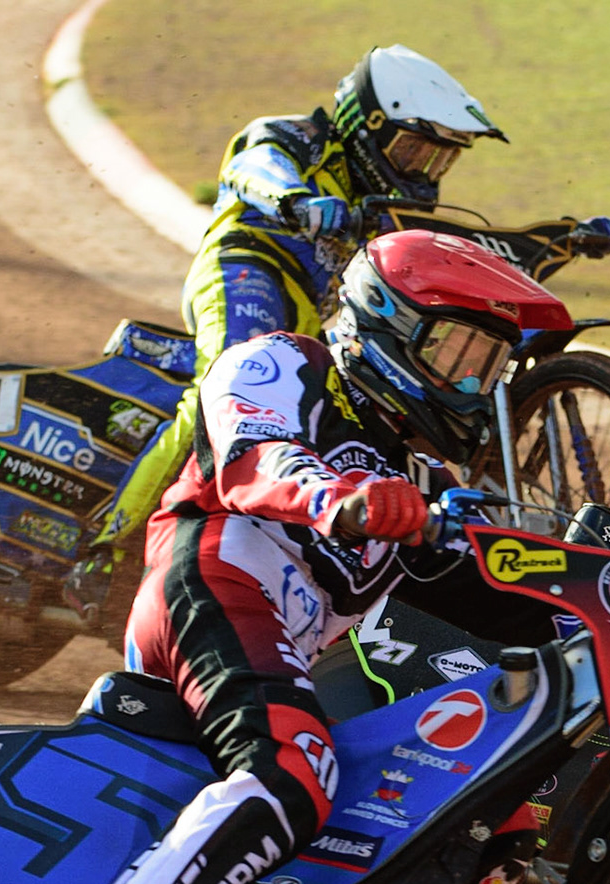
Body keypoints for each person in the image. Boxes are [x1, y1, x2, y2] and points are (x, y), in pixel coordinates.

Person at [6, 231, 576, 884]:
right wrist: (343, 495)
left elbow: (494, 598)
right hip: (213, 576)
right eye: (458, 352)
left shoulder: (424, 480)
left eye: (491, 364)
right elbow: (254, 464)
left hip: (278, 637)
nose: (474, 382)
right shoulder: (280, 364)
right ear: (389, 324)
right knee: (292, 771)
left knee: (423, 810)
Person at [65, 46, 506, 615]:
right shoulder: (292, 137)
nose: (422, 169)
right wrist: (297, 200)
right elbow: (255, 169)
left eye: (438, 160)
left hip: (310, 312)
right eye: (414, 149)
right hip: (246, 268)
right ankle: (104, 546)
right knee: (218, 398)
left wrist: (557, 242)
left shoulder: (380, 197)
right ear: (369, 124)